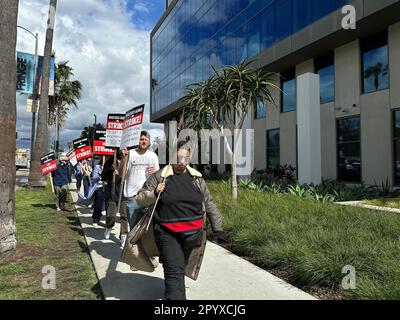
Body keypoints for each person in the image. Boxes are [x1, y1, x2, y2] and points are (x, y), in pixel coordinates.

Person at [136, 140, 228, 300]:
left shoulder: (196, 178)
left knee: (178, 267)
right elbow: (140, 198)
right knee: (174, 271)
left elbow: (209, 202)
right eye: (179, 158)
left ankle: (172, 288)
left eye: (186, 159)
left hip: (192, 235)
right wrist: (155, 193)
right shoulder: (160, 177)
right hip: (167, 232)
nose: (182, 163)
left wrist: (218, 228)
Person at [118, 131, 159, 248]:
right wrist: (123, 158)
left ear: (149, 142)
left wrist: (155, 173)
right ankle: (136, 257)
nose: (144, 141)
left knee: (148, 227)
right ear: (137, 141)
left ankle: (147, 253)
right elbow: (121, 174)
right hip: (133, 198)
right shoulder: (130, 154)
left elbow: (158, 176)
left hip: (148, 196)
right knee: (134, 229)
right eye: (141, 139)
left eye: (146, 139)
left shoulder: (153, 156)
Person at [101, 153, 128, 240]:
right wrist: (110, 170)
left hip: (125, 193)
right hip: (112, 193)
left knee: (124, 215)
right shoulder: (109, 162)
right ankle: (109, 226)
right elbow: (104, 177)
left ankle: (123, 234)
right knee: (111, 215)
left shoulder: (129, 161)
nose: (123, 151)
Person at [91, 156, 105, 225]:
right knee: (98, 204)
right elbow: (94, 177)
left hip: (108, 188)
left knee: (106, 205)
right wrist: (100, 174)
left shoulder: (112, 165)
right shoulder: (97, 166)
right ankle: (95, 218)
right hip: (99, 187)